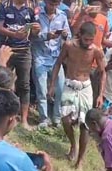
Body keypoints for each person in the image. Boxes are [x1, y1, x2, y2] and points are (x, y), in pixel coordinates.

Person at [49, 22, 106, 169]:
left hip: (85, 87)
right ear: (79, 35)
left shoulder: (96, 50)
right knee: (65, 120)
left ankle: (80, 160)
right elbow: (57, 63)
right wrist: (52, 85)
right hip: (69, 84)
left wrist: (100, 95)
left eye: (91, 40)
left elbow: (103, 72)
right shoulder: (69, 46)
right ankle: (73, 145)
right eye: (86, 39)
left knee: (85, 125)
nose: (88, 43)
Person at [0, 0, 41, 129]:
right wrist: (14, 34)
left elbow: (35, 32)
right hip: (7, 49)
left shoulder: (32, 7)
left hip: (24, 50)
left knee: (24, 85)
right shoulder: (4, 5)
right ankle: (1, 116)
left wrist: (36, 30)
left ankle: (24, 120)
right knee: (2, 81)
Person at [32, 0, 71, 128]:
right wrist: (46, 36)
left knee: (60, 88)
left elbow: (69, 37)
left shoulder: (62, 16)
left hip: (56, 57)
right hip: (40, 56)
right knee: (42, 89)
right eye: (51, 4)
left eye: (55, 4)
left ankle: (57, 118)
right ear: (46, 2)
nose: (53, 7)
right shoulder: (36, 15)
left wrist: (64, 35)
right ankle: (44, 118)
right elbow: (31, 36)